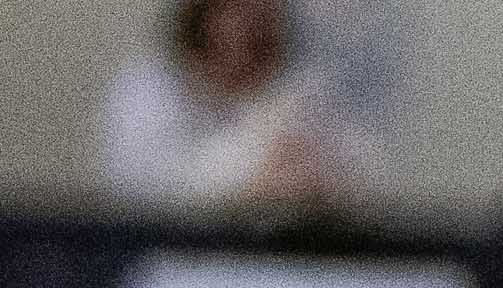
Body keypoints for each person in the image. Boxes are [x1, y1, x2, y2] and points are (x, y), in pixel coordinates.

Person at [95, 0, 368, 212]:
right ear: (203, 17)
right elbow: (144, 192)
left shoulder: (304, 95)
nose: (253, 21)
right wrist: (251, 186)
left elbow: (353, 188)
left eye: (266, 11)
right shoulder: (148, 89)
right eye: (236, 8)